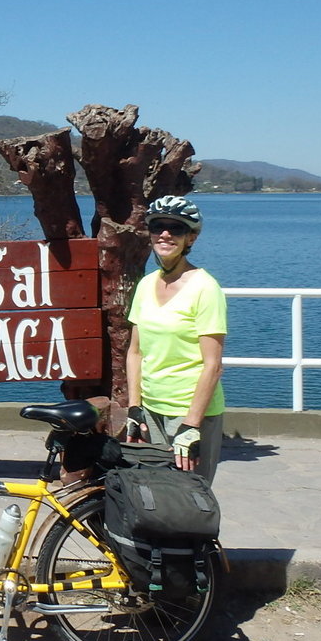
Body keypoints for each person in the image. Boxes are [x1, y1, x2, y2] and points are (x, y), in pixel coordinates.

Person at [125, 195, 227, 484]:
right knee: (156, 498)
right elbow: (135, 352)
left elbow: (213, 365)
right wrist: (135, 407)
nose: (165, 234)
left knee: (190, 504)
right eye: (158, 227)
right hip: (151, 411)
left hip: (190, 412)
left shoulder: (205, 288)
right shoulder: (146, 284)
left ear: (190, 238)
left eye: (176, 228)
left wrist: (191, 425)